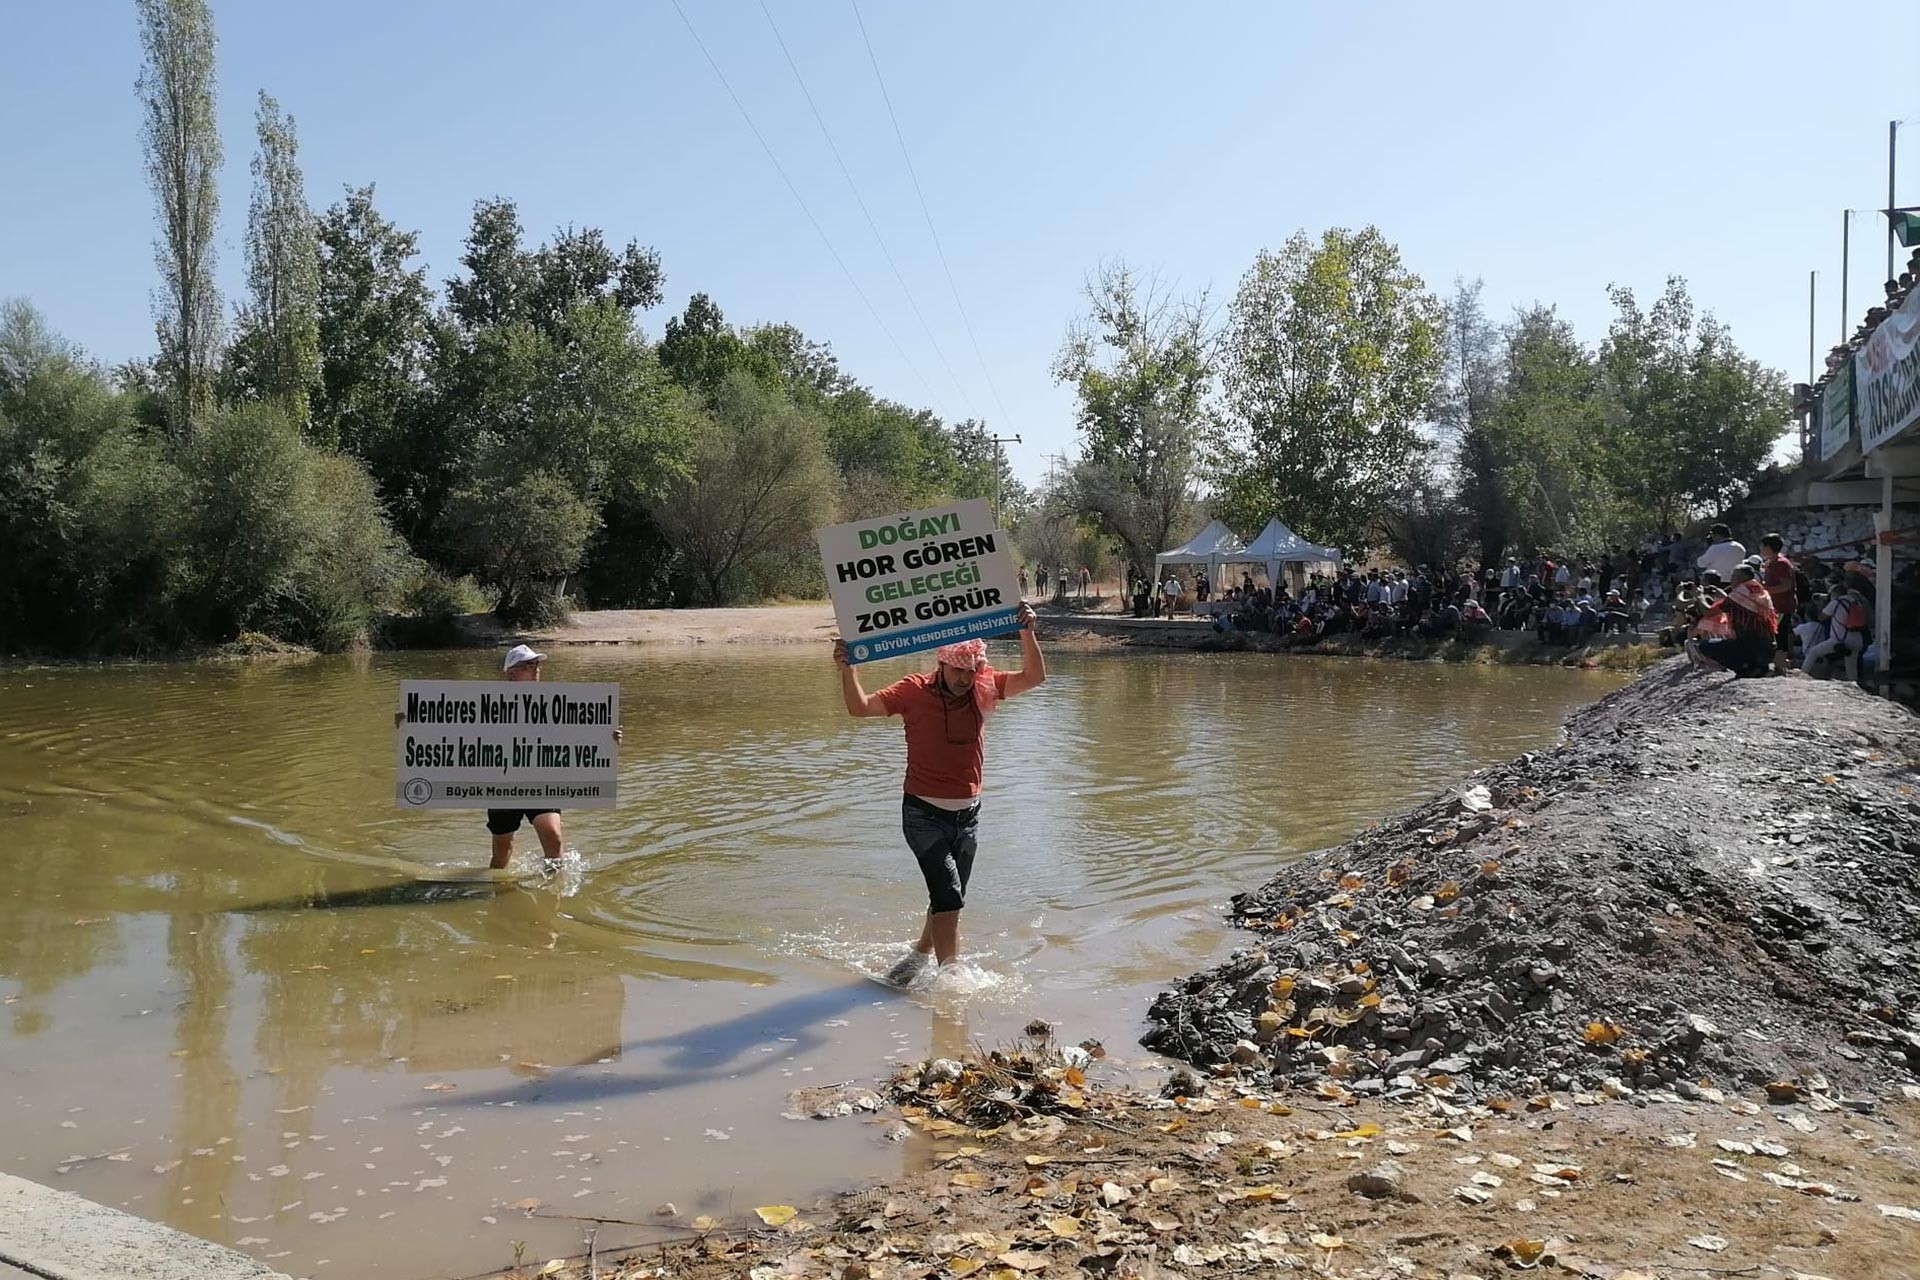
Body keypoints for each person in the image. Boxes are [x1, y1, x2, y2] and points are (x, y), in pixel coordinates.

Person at [832, 607, 1045, 984]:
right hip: (923, 815)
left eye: (971, 670)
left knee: (949, 897)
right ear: (942, 664)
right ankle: (953, 984)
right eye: (958, 670)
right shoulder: (913, 690)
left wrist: (1026, 631)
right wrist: (848, 667)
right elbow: (859, 708)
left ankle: (915, 960)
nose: (965, 678)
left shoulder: (983, 688)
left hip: (968, 815)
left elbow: (1034, 676)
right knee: (949, 897)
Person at [396, 644, 624, 870]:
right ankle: (498, 890)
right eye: (527, 665)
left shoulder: (558, 703)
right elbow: (451, 731)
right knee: (503, 851)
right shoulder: (487, 703)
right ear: (511, 672)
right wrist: (410, 724)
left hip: (542, 781)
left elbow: (579, 736)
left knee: (554, 838)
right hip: (502, 784)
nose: (535, 669)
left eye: (536, 664)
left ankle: (554, 898)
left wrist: (607, 739)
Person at [1687, 565, 1777, 677]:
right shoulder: (1760, 592)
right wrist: (1723, 597)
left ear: (1739, 578)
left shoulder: (1739, 593)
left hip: (1749, 648)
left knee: (1705, 646)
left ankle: (1746, 668)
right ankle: (1759, 666)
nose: (1731, 580)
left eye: (1733, 576)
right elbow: (1738, 605)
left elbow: (1708, 612)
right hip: (1768, 649)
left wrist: (1699, 596)